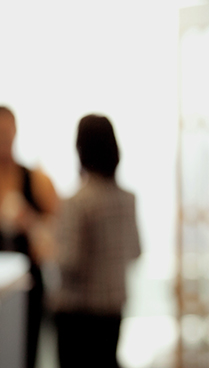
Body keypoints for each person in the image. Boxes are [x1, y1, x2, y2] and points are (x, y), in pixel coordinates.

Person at [53, 114, 141, 368]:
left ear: (79, 149)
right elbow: (136, 251)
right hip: (113, 309)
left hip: (79, 315)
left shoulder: (77, 202)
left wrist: (46, 244)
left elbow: (70, 262)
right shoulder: (127, 199)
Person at [0, 106, 59, 368]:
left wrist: (30, 224)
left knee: (25, 353)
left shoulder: (35, 178)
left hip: (28, 286)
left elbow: (58, 230)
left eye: (7, 132)